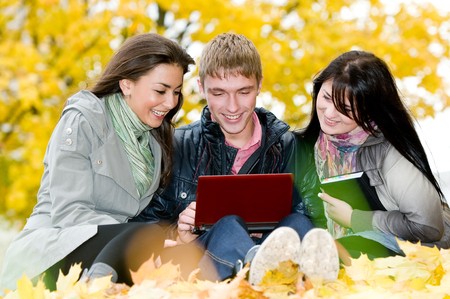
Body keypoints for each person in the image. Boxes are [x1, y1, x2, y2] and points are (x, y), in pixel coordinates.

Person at [132, 32, 339, 284]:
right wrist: (179, 232)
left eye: (243, 92)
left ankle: (286, 273)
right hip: (208, 265)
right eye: (218, 93)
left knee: (299, 221)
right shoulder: (177, 146)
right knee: (228, 224)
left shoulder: (293, 147)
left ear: (259, 85)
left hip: (289, 263)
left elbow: (319, 221)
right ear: (201, 87)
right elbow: (143, 228)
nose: (232, 107)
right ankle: (254, 269)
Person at [0, 33, 195, 292]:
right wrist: (143, 238)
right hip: (52, 251)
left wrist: (171, 236)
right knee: (147, 236)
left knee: (177, 252)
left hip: (115, 250)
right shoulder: (84, 120)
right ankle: (96, 289)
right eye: (160, 90)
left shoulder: (154, 143)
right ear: (126, 85)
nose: (170, 103)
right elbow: (69, 212)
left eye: (176, 92)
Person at [293, 50, 450, 259]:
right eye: (327, 97)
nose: (329, 113)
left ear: (369, 111)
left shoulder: (389, 150)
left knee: (337, 253)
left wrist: (354, 219)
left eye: (346, 108)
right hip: (356, 243)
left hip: (412, 250)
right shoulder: (311, 145)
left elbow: (428, 227)